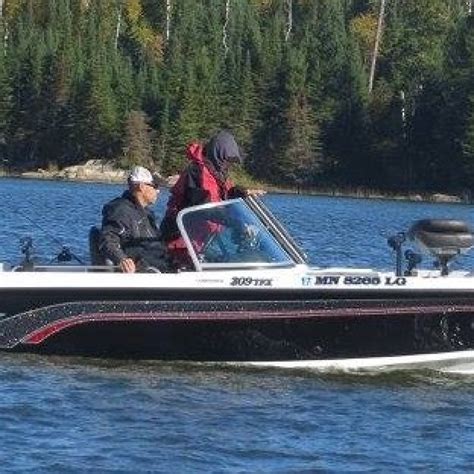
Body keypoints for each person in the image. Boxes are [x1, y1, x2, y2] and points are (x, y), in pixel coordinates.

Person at [159, 130, 250, 265]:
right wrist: (235, 223)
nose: (228, 164)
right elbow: (204, 207)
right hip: (179, 239)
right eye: (227, 159)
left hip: (199, 240)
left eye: (230, 161)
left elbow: (226, 194)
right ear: (218, 154)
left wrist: (243, 193)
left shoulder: (217, 173)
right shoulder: (197, 172)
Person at [100, 166, 169, 273]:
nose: (158, 191)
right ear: (142, 187)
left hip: (159, 266)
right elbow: (108, 239)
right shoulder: (121, 210)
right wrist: (121, 259)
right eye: (154, 186)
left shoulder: (146, 214)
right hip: (143, 272)